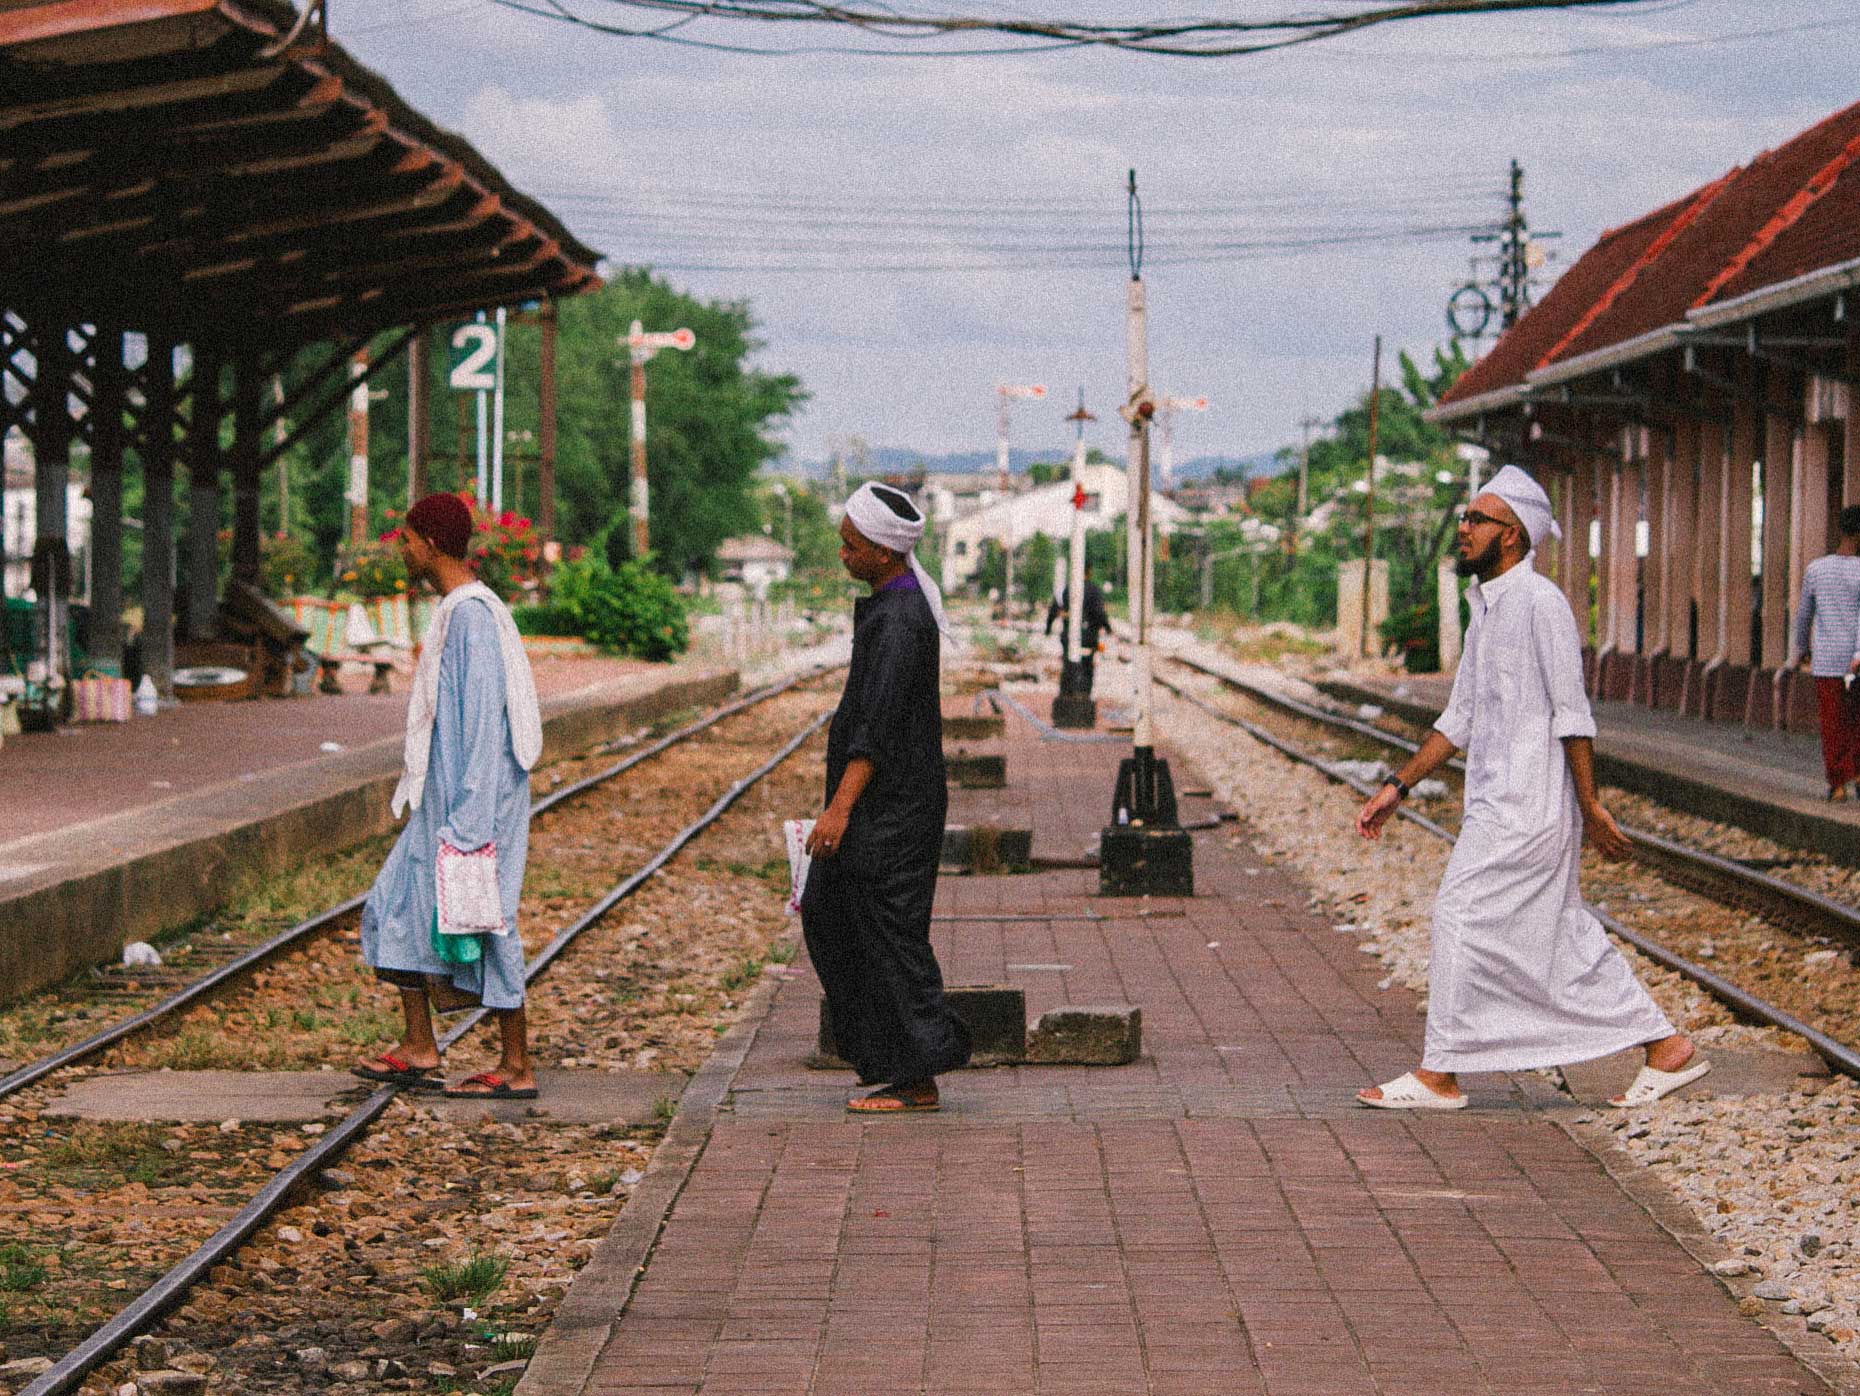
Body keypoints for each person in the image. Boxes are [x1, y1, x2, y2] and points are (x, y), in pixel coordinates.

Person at [1352, 466, 1707, 1111]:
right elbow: (1457, 720)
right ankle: (1665, 1046)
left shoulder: (1541, 604)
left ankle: (1441, 1075)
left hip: (1532, 807)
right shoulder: (1484, 609)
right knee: (1557, 931)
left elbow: (1572, 713)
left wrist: (1590, 803)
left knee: (1460, 914)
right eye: (1465, 518)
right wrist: (1397, 788)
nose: (1463, 529)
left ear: (1511, 536)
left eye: (1477, 520)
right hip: (1497, 802)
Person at [353, 492, 544, 1100]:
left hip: (473, 802)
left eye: (407, 539)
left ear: (430, 544)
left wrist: (467, 825)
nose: (403, 550)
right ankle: (420, 1045)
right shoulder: (457, 611)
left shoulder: (471, 617)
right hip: (444, 797)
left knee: (486, 919)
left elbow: (484, 722)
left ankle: (516, 1064)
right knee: (398, 904)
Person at [802, 482, 972, 1113]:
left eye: (851, 546)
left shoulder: (901, 619)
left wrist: (839, 807)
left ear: (881, 551)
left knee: (888, 932)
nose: (842, 555)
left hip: (892, 809)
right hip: (885, 804)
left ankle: (917, 1072)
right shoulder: (890, 605)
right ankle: (890, 1059)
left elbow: (877, 725)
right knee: (833, 911)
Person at [1791, 505, 1860, 801]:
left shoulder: (1815, 570)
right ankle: (1854, 771)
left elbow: (1804, 615)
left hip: (1826, 661)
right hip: (1856, 661)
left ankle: (1838, 785)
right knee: (1855, 723)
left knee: (1832, 724)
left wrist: (1802, 649)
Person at [1044, 562, 1111, 692]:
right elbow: (1100, 613)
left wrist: (1048, 629)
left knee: (1069, 666)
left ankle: (1067, 695)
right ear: (1090, 572)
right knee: (1087, 668)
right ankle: (1085, 698)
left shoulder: (1066, 589)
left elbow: (1053, 611)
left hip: (1068, 637)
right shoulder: (1094, 591)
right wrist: (1108, 629)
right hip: (1089, 638)